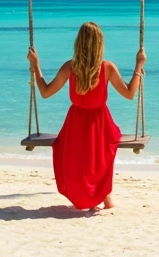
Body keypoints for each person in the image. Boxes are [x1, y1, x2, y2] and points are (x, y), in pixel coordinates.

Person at [27, 22, 146, 210]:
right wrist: (139, 66)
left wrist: (37, 66)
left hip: (75, 124)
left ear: (78, 43)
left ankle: (101, 198)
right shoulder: (107, 68)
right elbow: (130, 94)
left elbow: (45, 92)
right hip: (101, 124)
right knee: (100, 154)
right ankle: (105, 198)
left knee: (79, 156)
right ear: (100, 44)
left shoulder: (70, 67)